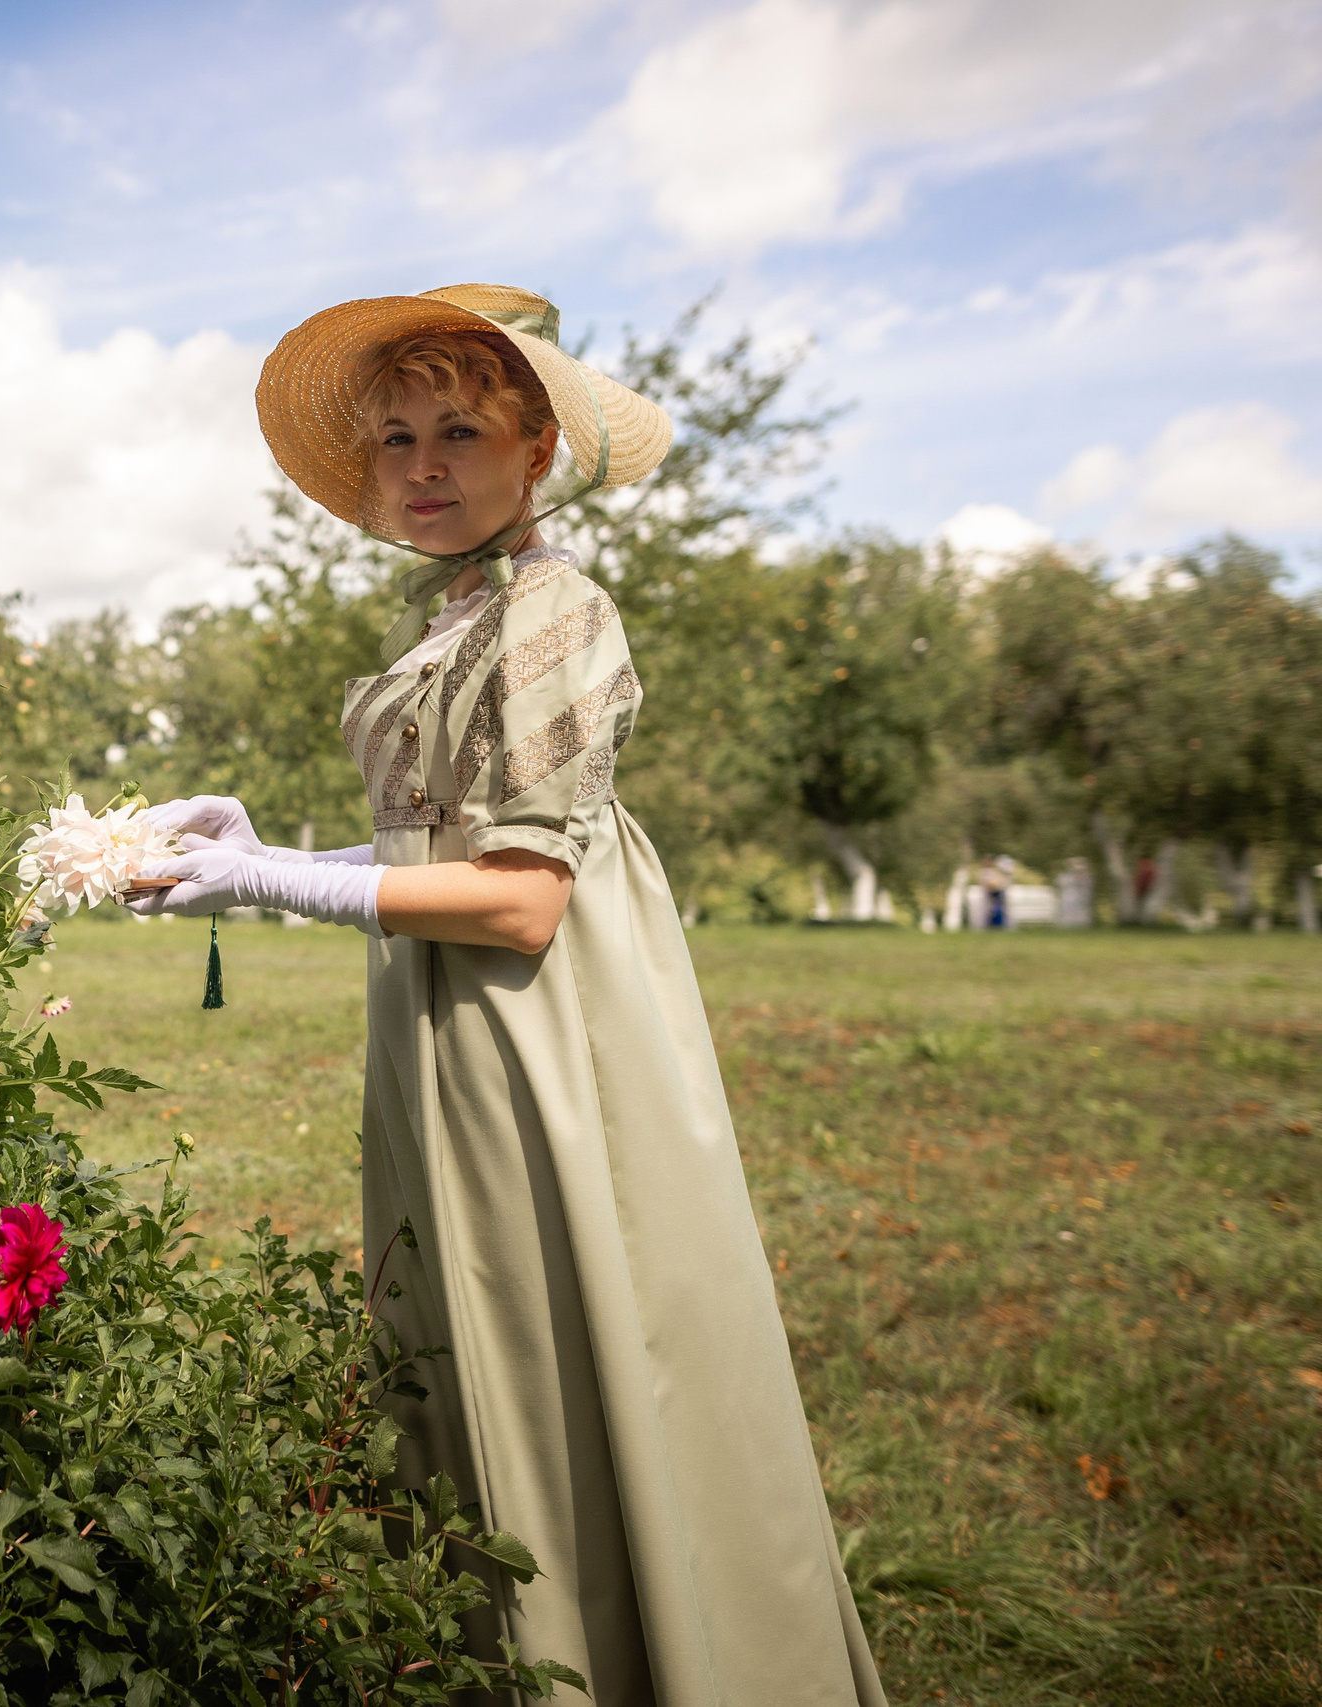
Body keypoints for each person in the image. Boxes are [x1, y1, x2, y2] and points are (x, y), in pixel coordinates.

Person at [128, 285, 883, 1705]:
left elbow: (522, 899)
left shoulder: (557, 613)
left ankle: (634, 1657)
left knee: (559, 1333)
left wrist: (277, 881)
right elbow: (443, 851)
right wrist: (273, 852)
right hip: (447, 1022)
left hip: (542, 1033)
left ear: (536, 447)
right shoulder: (467, 613)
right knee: (461, 1333)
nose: (420, 462)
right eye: (398, 434)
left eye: (459, 430)